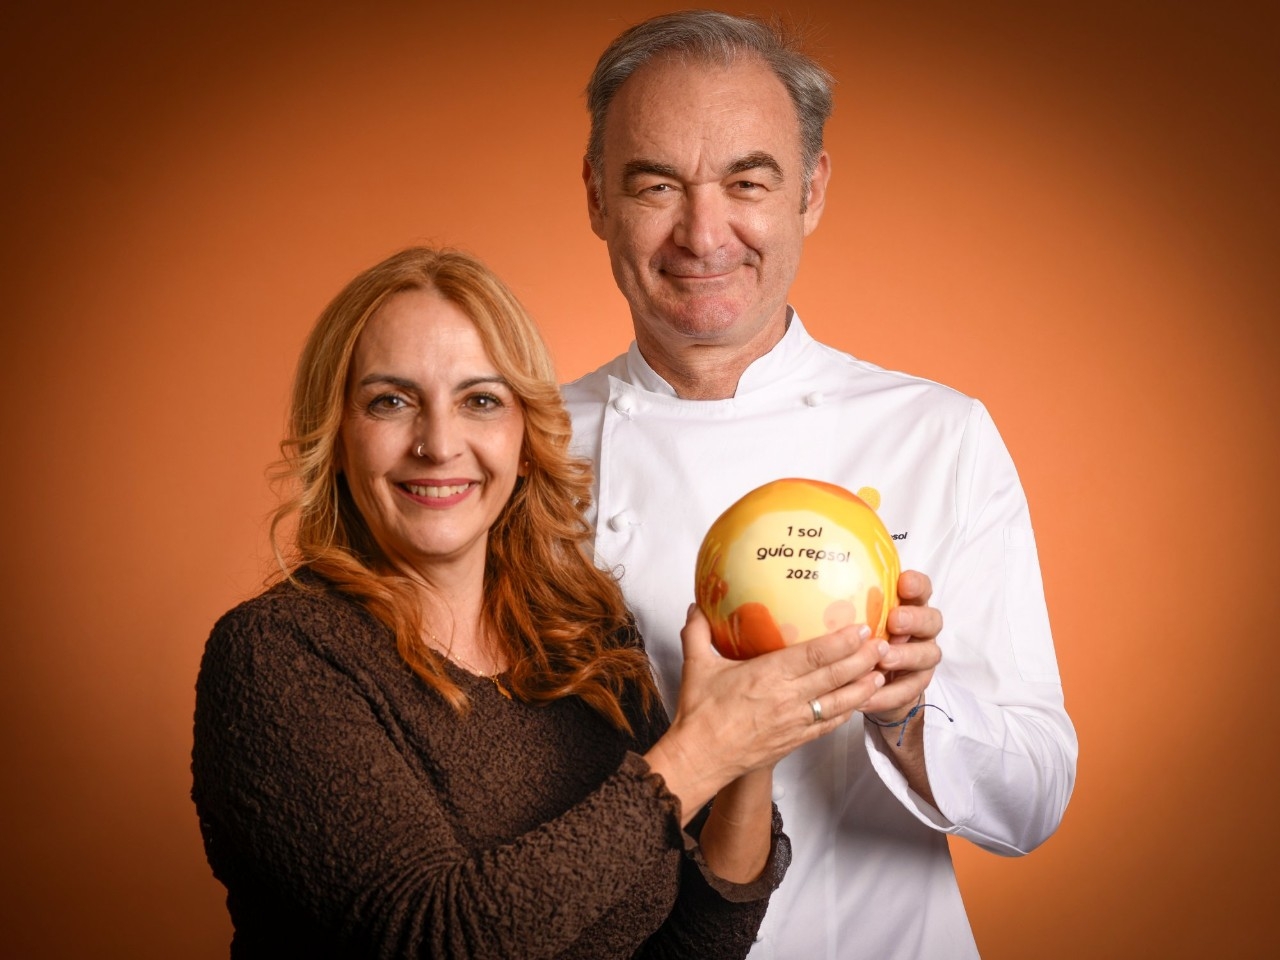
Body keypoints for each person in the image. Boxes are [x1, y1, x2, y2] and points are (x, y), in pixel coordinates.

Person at [191, 246, 893, 959]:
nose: (439, 445)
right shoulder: (276, 654)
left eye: (481, 401)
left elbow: (691, 948)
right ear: (338, 437)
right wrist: (699, 754)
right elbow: (436, 938)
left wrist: (751, 751)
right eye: (391, 401)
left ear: (525, 438)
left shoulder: (582, 631)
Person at [563, 11, 1078, 959]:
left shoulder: (938, 434)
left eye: (747, 181)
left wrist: (909, 709)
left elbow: (1035, 797)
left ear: (812, 191)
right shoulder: (519, 453)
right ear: (596, 195)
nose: (703, 233)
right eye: (655, 185)